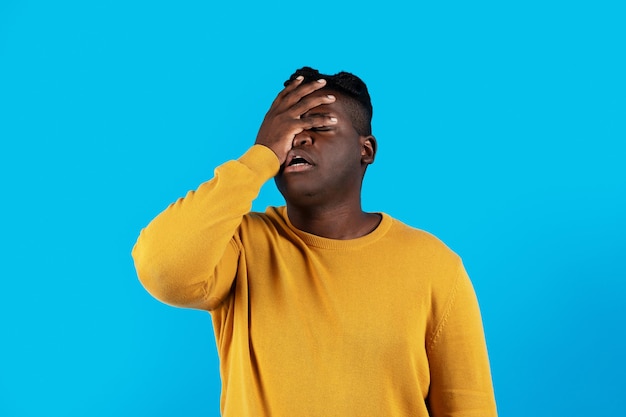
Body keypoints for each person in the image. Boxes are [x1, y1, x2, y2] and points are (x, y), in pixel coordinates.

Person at [132, 67, 498, 416]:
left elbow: (468, 407)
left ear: (365, 150)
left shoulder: (434, 266)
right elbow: (162, 268)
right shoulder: (239, 246)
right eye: (286, 129)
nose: (298, 138)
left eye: (319, 125)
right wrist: (260, 157)